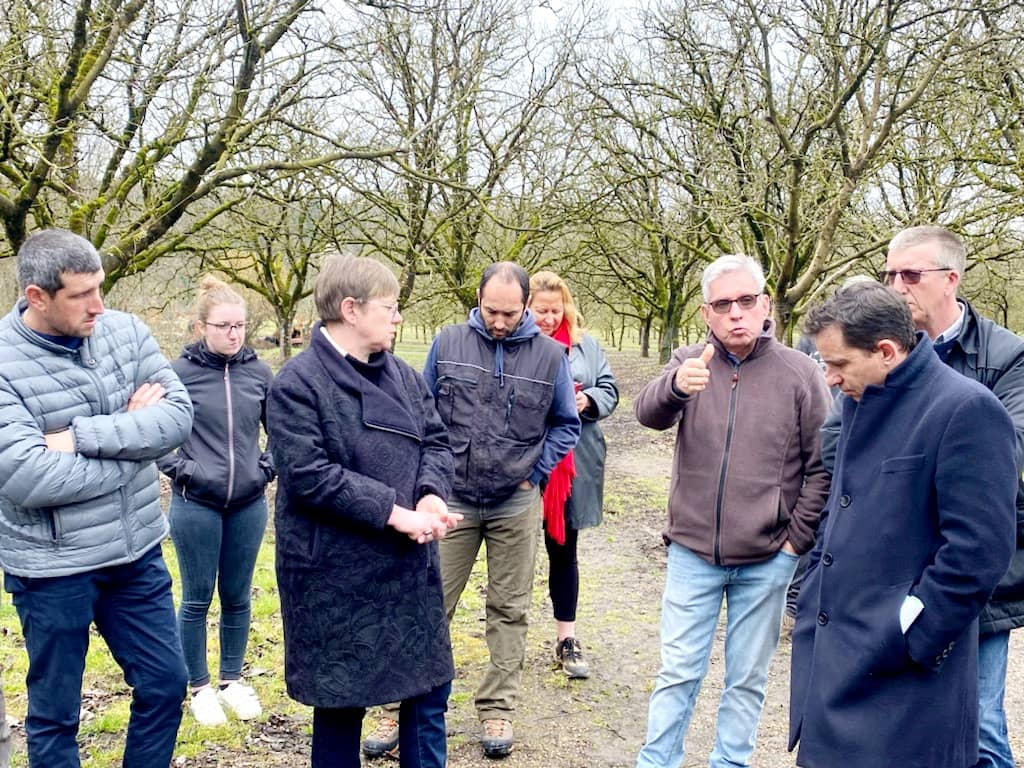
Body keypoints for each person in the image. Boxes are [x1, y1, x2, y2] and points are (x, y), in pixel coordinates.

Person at [820, 226, 1024, 768]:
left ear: (951, 279)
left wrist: (920, 434)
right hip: (884, 576)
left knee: (978, 728)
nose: (896, 285)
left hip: (970, 584)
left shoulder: (1006, 357)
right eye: (889, 273)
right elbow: (837, 447)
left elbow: (1007, 454)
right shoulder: (871, 356)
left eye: (910, 274)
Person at [364, 262, 580, 760]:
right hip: (451, 497)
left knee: (510, 607)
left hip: (515, 502)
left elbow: (566, 424)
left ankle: (498, 707)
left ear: (526, 306)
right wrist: (427, 482)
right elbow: (420, 414)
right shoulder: (448, 342)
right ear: (478, 300)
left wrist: (534, 473)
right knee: (428, 600)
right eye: (490, 311)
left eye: (509, 313)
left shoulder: (550, 356)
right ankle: (399, 704)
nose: (499, 322)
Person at [0, 229, 194, 767]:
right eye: (81, 294)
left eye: (100, 287)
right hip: (52, 567)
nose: (99, 305)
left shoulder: (125, 333)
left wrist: (78, 437)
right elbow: (29, 478)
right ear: (37, 296)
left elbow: (178, 418)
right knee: (55, 714)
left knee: (166, 684)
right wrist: (135, 440)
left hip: (135, 554)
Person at [633, 254, 831, 768]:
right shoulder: (690, 361)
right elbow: (646, 414)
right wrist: (676, 387)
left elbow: (823, 467)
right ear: (706, 313)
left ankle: (730, 762)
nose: (736, 313)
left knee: (746, 679)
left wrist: (794, 544)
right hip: (692, 552)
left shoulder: (801, 372)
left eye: (746, 301)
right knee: (677, 672)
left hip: (767, 559)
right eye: (722, 305)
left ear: (765, 305)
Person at [267, 254, 460, 768]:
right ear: (351, 309)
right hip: (335, 573)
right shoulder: (296, 384)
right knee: (340, 704)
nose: (398, 317)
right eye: (389, 308)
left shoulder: (404, 376)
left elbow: (436, 441)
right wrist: (395, 513)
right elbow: (308, 475)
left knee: (427, 693)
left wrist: (431, 495)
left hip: (406, 565)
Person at [158, 276, 274, 726]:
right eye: (224, 325)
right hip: (196, 504)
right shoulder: (177, 374)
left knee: (238, 596)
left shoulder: (259, 373)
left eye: (240, 325)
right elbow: (155, 436)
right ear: (200, 327)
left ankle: (232, 680)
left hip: (248, 503)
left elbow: (282, 432)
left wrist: (265, 470)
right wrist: (184, 471)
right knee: (196, 597)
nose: (233, 334)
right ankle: (199, 687)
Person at [527, 270, 618, 678]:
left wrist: (588, 400)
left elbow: (610, 390)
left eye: (556, 309)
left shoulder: (587, 346)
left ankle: (567, 638)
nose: (549, 318)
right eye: (541, 310)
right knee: (514, 554)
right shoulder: (516, 346)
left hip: (572, 463)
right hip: (525, 463)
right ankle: (508, 639)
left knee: (564, 551)